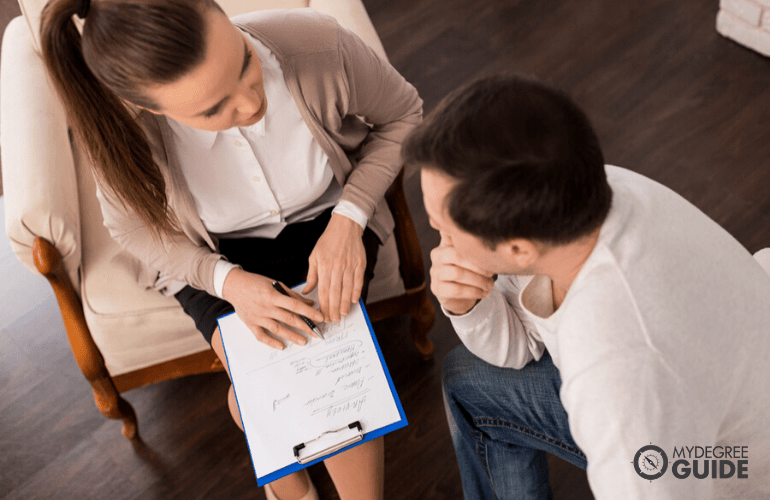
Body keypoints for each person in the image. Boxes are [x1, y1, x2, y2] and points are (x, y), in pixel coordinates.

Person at [40, 0, 423, 498]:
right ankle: (295, 493)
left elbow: (404, 115)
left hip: (330, 222)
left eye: (245, 62)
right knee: (264, 391)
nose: (250, 104)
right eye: (212, 108)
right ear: (150, 108)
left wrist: (350, 218)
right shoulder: (121, 128)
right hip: (212, 257)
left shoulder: (315, 44)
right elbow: (138, 233)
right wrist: (227, 282)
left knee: (329, 388)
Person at [403, 73, 770, 499]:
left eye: (444, 229)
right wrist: (470, 306)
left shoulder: (615, 370)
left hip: (719, 467)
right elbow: (523, 347)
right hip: (726, 379)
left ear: (518, 249)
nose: (439, 242)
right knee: (468, 381)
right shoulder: (574, 193)